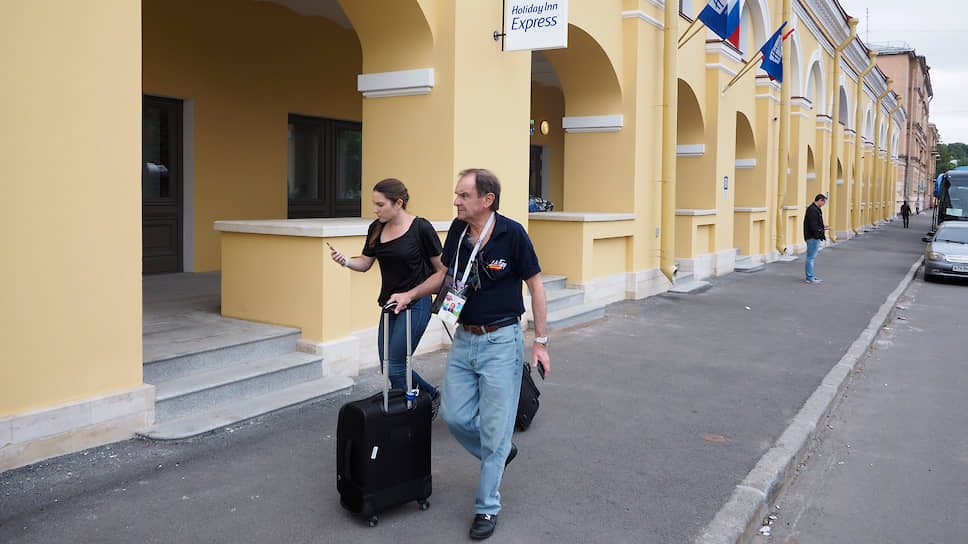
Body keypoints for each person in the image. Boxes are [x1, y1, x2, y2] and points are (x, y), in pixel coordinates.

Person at [439, 168, 550, 540]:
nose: (456, 201)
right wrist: (410, 296)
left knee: (494, 425)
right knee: (454, 416)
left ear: (487, 200)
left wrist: (541, 341)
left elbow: (536, 287)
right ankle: (499, 453)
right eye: (456, 195)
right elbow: (445, 276)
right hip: (463, 338)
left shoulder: (512, 233)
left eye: (463, 196)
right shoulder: (457, 231)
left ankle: (487, 507)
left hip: (501, 340)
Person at [329, 178, 446, 417]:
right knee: (389, 365)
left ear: (398, 203)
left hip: (417, 303)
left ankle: (406, 417)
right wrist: (346, 261)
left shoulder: (421, 228)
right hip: (390, 305)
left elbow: (442, 270)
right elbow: (365, 263)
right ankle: (429, 396)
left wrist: (424, 294)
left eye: (380, 204)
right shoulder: (376, 228)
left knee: (395, 365)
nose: (375, 209)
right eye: (374, 204)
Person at [803, 194, 830, 284]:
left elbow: (814, 224)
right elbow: (813, 226)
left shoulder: (814, 209)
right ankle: (810, 277)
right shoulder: (813, 210)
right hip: (813, 237)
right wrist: (821, 230)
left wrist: (822, 226)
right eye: (824, 202)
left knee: (810, 258)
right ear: (819, 200)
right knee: (810, 258)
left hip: (812, 236)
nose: (824, 204)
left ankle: (811, 276)